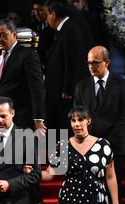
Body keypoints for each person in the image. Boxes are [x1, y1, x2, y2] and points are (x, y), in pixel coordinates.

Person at [73, 45, 125, 204]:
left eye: (95, 63)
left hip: (114, 148)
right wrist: (89, 144)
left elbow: (123, 119)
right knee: (89, 197)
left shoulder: (121, 85)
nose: (91, 67)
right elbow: (78, 117)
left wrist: (105, 146)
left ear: (106, 63)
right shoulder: (81, 87)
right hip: (88, 149)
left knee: (114, 195)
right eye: (88, 63)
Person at [0, 19, 46, 204]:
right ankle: (14, 199)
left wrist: (38, 119)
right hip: (3, 122)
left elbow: (37, 88)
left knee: (27, 162)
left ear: (14, 35)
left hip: (22, 118)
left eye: (3, 35)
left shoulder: (28, 54)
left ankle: (36, 201)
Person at [44, 0, 87, 130]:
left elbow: (72, 61)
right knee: (55, 126)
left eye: (47, 14)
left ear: (53, 14)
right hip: (57, 91)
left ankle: (63, 151)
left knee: (63, 126)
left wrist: (67, 89)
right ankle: (56, 150)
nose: (46, 19)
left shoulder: (70, 29)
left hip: (64, 93)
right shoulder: (64, 29)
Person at [31, 0, 55, 66]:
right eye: (34, 10)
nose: (36, 13)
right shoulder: (35, 25)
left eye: (40, 10)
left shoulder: (54, 27)